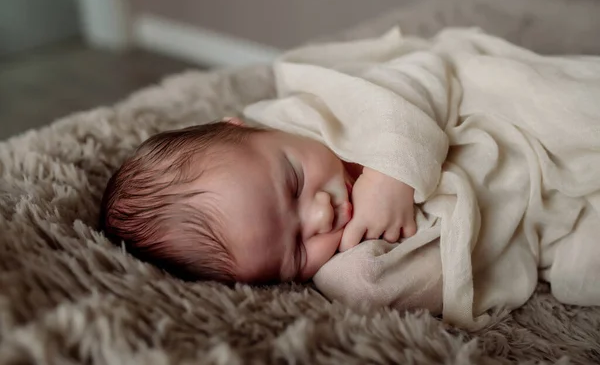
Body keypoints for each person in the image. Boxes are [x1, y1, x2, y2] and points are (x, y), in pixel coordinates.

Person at [99, 118, 417, 284]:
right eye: (296, 249)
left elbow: (416, 80)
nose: (322, 214)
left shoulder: (311, 111)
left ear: (246, 126)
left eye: (295, 183)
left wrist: (389, 175)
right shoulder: (349, 270)